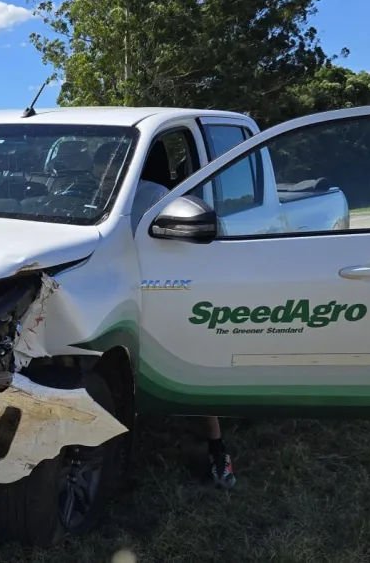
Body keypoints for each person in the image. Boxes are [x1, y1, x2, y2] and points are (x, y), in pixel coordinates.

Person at [99, 141, 237, 490]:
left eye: (110, 162)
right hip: (118, 291)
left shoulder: (154, 195)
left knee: (186, 365)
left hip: (160, 291)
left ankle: (217, 448)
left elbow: (213, 232)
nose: (104, 171)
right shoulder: (83, 195)